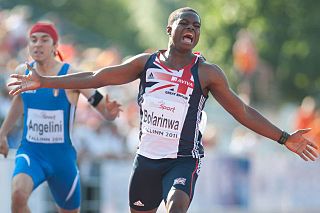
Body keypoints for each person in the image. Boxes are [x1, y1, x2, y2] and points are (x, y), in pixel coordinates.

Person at [7, 8, 319, 213]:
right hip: (146, 161)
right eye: (185, 23)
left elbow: (242, 111)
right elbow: (97, 77)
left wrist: (284, 137)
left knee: (176, 208)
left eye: (197, 26)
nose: (192, 28)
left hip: (182, 161)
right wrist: (44, 80)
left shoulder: (207, 73)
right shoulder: (146, 65)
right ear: (169, 29)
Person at [0, 22, 122, 213]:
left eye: (44, 39)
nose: (38, 44)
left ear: (55, 46)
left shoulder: (70, 74)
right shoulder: (24, 72)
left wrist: (109, 112)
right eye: (33, 40)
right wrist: (2, 133)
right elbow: (19, 102)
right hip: (32, 152)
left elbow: (99, 103)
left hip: (61, 158)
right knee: (18, 194)